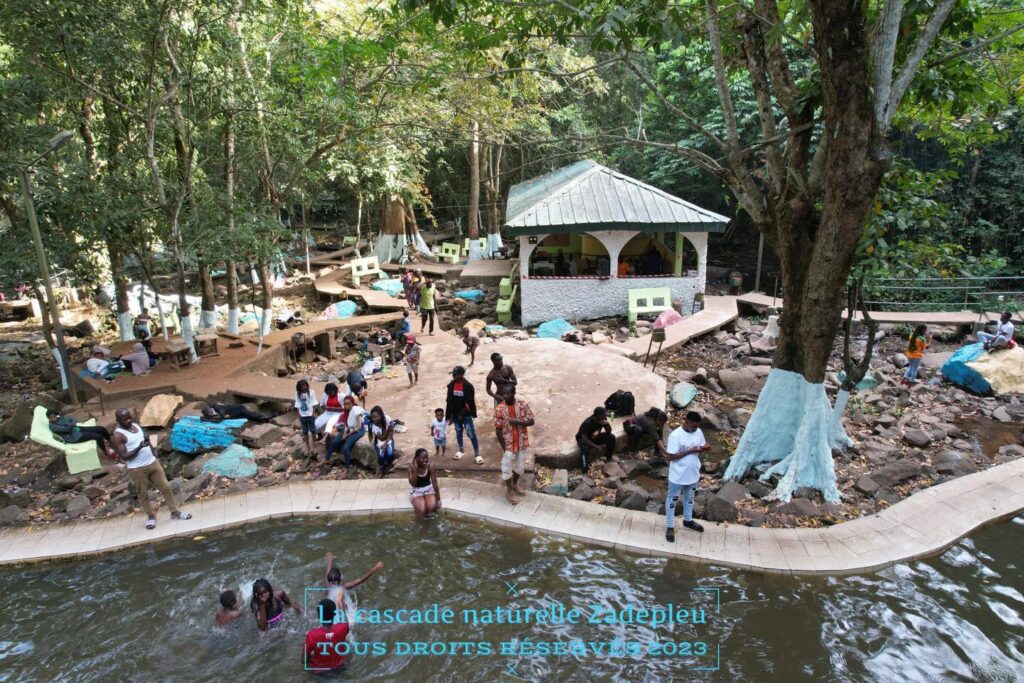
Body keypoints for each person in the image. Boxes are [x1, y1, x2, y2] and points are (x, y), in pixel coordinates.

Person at [110, 408, 191, 529]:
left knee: (166, 487)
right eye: (124, 419)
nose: (128, 421)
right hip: (137, 469)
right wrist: (138, 447)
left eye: (129, 417)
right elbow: (124, 456)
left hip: (152, 463)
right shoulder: (118, 436)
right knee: (143, 494)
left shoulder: (136, 426)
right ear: (118, 420)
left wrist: (155, 455)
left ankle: (175, 512)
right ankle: (151, 516)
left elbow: (146, 442)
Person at [665, 411, 711, 541]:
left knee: (689, 498)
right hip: (677, 475)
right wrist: (691, 450)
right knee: (672, 500)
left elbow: (702, 446)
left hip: (693, 473)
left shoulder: (698, 432)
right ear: (687, 422)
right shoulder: (676, 435)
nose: (696, 428)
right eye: (694, 426)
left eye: (698, 426)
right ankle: (670, 525)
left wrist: (706, 448)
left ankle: (688, 520)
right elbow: (670, 457)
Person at [493, 388, 535, 505]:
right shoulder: (500, 408)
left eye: (508, 393)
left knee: (520, 465)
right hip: (508, 443)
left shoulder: (522, 405)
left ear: (513, 393)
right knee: (506, 467)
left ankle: (515, 484)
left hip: (521, 441)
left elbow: (531, 421)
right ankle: (509, 491)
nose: (505, 396)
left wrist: (518, 422)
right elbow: (498, 429)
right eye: (503, 394)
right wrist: (504, 447)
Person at [445, 366, 480, 463]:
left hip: (466, 416)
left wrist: (462, 414)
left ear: (461, 375)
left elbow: (470, 403)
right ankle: (461, 449)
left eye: (456, 374)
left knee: (471, 433)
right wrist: (449, 416)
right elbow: (449, 402)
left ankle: (477, 453)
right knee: (458, 432)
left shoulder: (468, 386)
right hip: (455, 415)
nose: (454, 376)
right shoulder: (451, 385)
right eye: (453, 374)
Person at [47, 409, 115, 460]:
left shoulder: (60, 419)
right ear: (48, 418)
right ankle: (105, 451)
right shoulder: (53, 426)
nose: (53, 418)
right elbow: (67, 429)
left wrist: (71, 424)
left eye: (54, 416)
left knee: (101, 428)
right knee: (98, 436)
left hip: (76, 429)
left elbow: (73, 419)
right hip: (72, 437)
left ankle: (111, 441)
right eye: (51, 417)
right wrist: (71, 424)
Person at [325, 395, 366, 477]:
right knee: (335, 441)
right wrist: (344, 433)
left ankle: (346, 468)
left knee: (346, 448)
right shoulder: (346, 412)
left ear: (352, 403)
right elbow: (346, 425)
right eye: (345, 404)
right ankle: (326, 458)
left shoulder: (356, 412)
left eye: (348, 404)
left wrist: (347, 435)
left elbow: (357, 427)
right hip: (349, 429)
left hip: (358, 431)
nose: (346, 406)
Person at [304, 599, 350, 672]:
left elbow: (304, 660)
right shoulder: (343, 627)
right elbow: (343, 615)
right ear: (335, 614)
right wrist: (340, 601)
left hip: (321, 673)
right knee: (346, 642)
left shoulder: (312, 634)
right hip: (340, 668)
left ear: (319, 616)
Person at [408, 448, 442, 518]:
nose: (425, 460)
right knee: (422, 510)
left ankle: (432, 526)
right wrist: (415, 469)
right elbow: (413, 484)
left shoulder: (430, 466)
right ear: (417, 459)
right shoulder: (411, 468)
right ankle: (423, 527)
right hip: (416, 490)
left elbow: (435, 484)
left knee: (432, 508)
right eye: (423, 458)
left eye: (426, 458)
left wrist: (438, 500)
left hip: (428, 489)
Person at [367, 405, 397, 477]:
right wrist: (388, 430)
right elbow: (381, 438)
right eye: (372, 417)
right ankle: (381, 468)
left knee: (390, 454)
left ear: (381, 415)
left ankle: (384, 465)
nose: (374, 419)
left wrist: (386, 444)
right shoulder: (373, 426)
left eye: (376, 416)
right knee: (381, 456)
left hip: (388, 439)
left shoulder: (387, 419)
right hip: (379, 442)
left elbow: (392, 432)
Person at [295, 379, 320, 457]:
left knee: (313, 431)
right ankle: (307, 446)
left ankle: (315, 445)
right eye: (302, 386)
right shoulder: (297, 393)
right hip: (303, 415)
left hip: (310, 415)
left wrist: (313, 413)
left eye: (305, 385)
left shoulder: (311, 392)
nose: (304, 387)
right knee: (305, 432)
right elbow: (297, 403)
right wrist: (299, 414)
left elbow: (313, 403)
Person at [201, 403, 275, 423]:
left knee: (251, 415)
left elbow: (221, 417)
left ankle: (269, 415)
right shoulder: (214, 407)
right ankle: (263, 418)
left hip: (240, 409)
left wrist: (211, 418)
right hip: (235, 413)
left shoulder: (218, 408)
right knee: (250, 417)